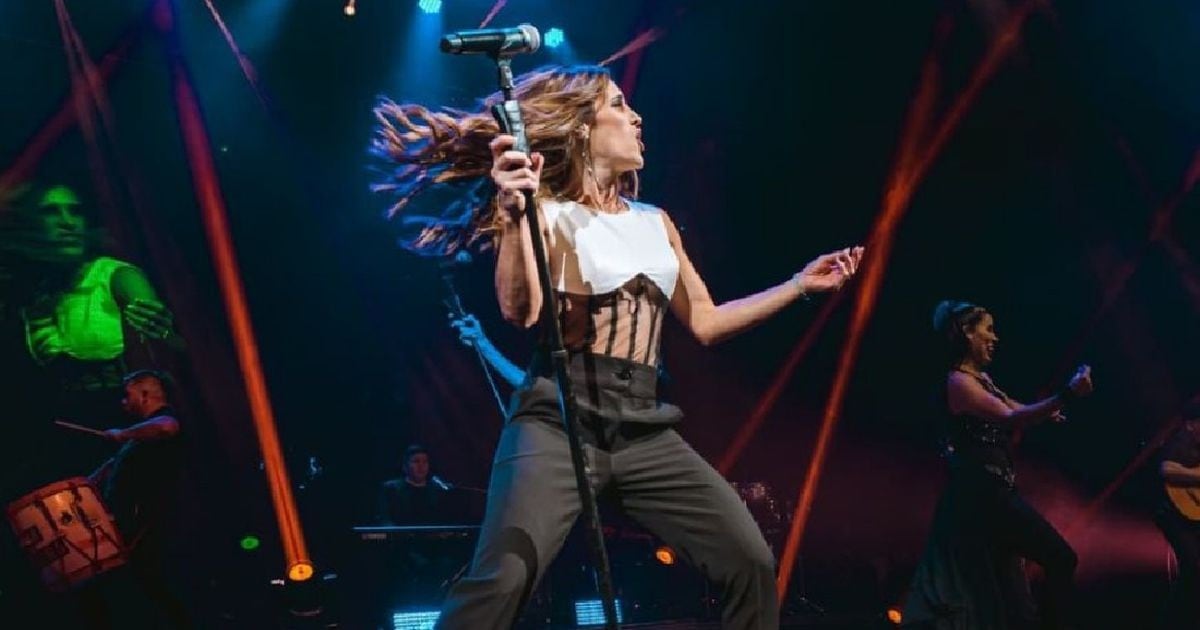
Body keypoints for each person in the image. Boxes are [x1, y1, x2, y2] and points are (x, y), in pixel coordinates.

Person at [373, 63, 863, 629]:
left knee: (749, 560)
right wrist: (513, 218)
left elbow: (705, 322)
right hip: (557, 421)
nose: (637, 117)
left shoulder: (656, 223)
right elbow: (520, 311)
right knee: (501, 578)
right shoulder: (548, 214)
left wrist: (799, 286)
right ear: (583, 126)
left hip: (643, 426)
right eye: (620, 105)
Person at [903, 301, 1094, 630]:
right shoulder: (959, 383)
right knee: (1061, 558)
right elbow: (1011, 417)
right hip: (982, 496)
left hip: (992, 494)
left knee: (1015, 607)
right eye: (988, 329)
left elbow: (1019, 409)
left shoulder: (982, 380)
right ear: (967, 331)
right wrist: (1067, 395)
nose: (995, 337)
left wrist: (1052, 409)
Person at [91, 369, 190, 629]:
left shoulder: (164, 420)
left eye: (127, 394)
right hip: (137, 526)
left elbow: (167, 428)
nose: (123, 402)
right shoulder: (139, 439)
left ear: (145, 394)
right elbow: (116, 465)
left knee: (157, 592)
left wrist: (122, 434)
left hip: (152, 525)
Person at [1155, 401, 1200, 629]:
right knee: (1193, 566)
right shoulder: (1180, 442)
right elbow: (1167, 469)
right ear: (1191, 425)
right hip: (1170, 513)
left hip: (1194, 518)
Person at [377, 444, 456, 525]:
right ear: (405, 466)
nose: (421, 466)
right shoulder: (391, 489)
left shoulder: (438, 490)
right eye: (416, 461)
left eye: (425, 462)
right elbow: (385, 519)